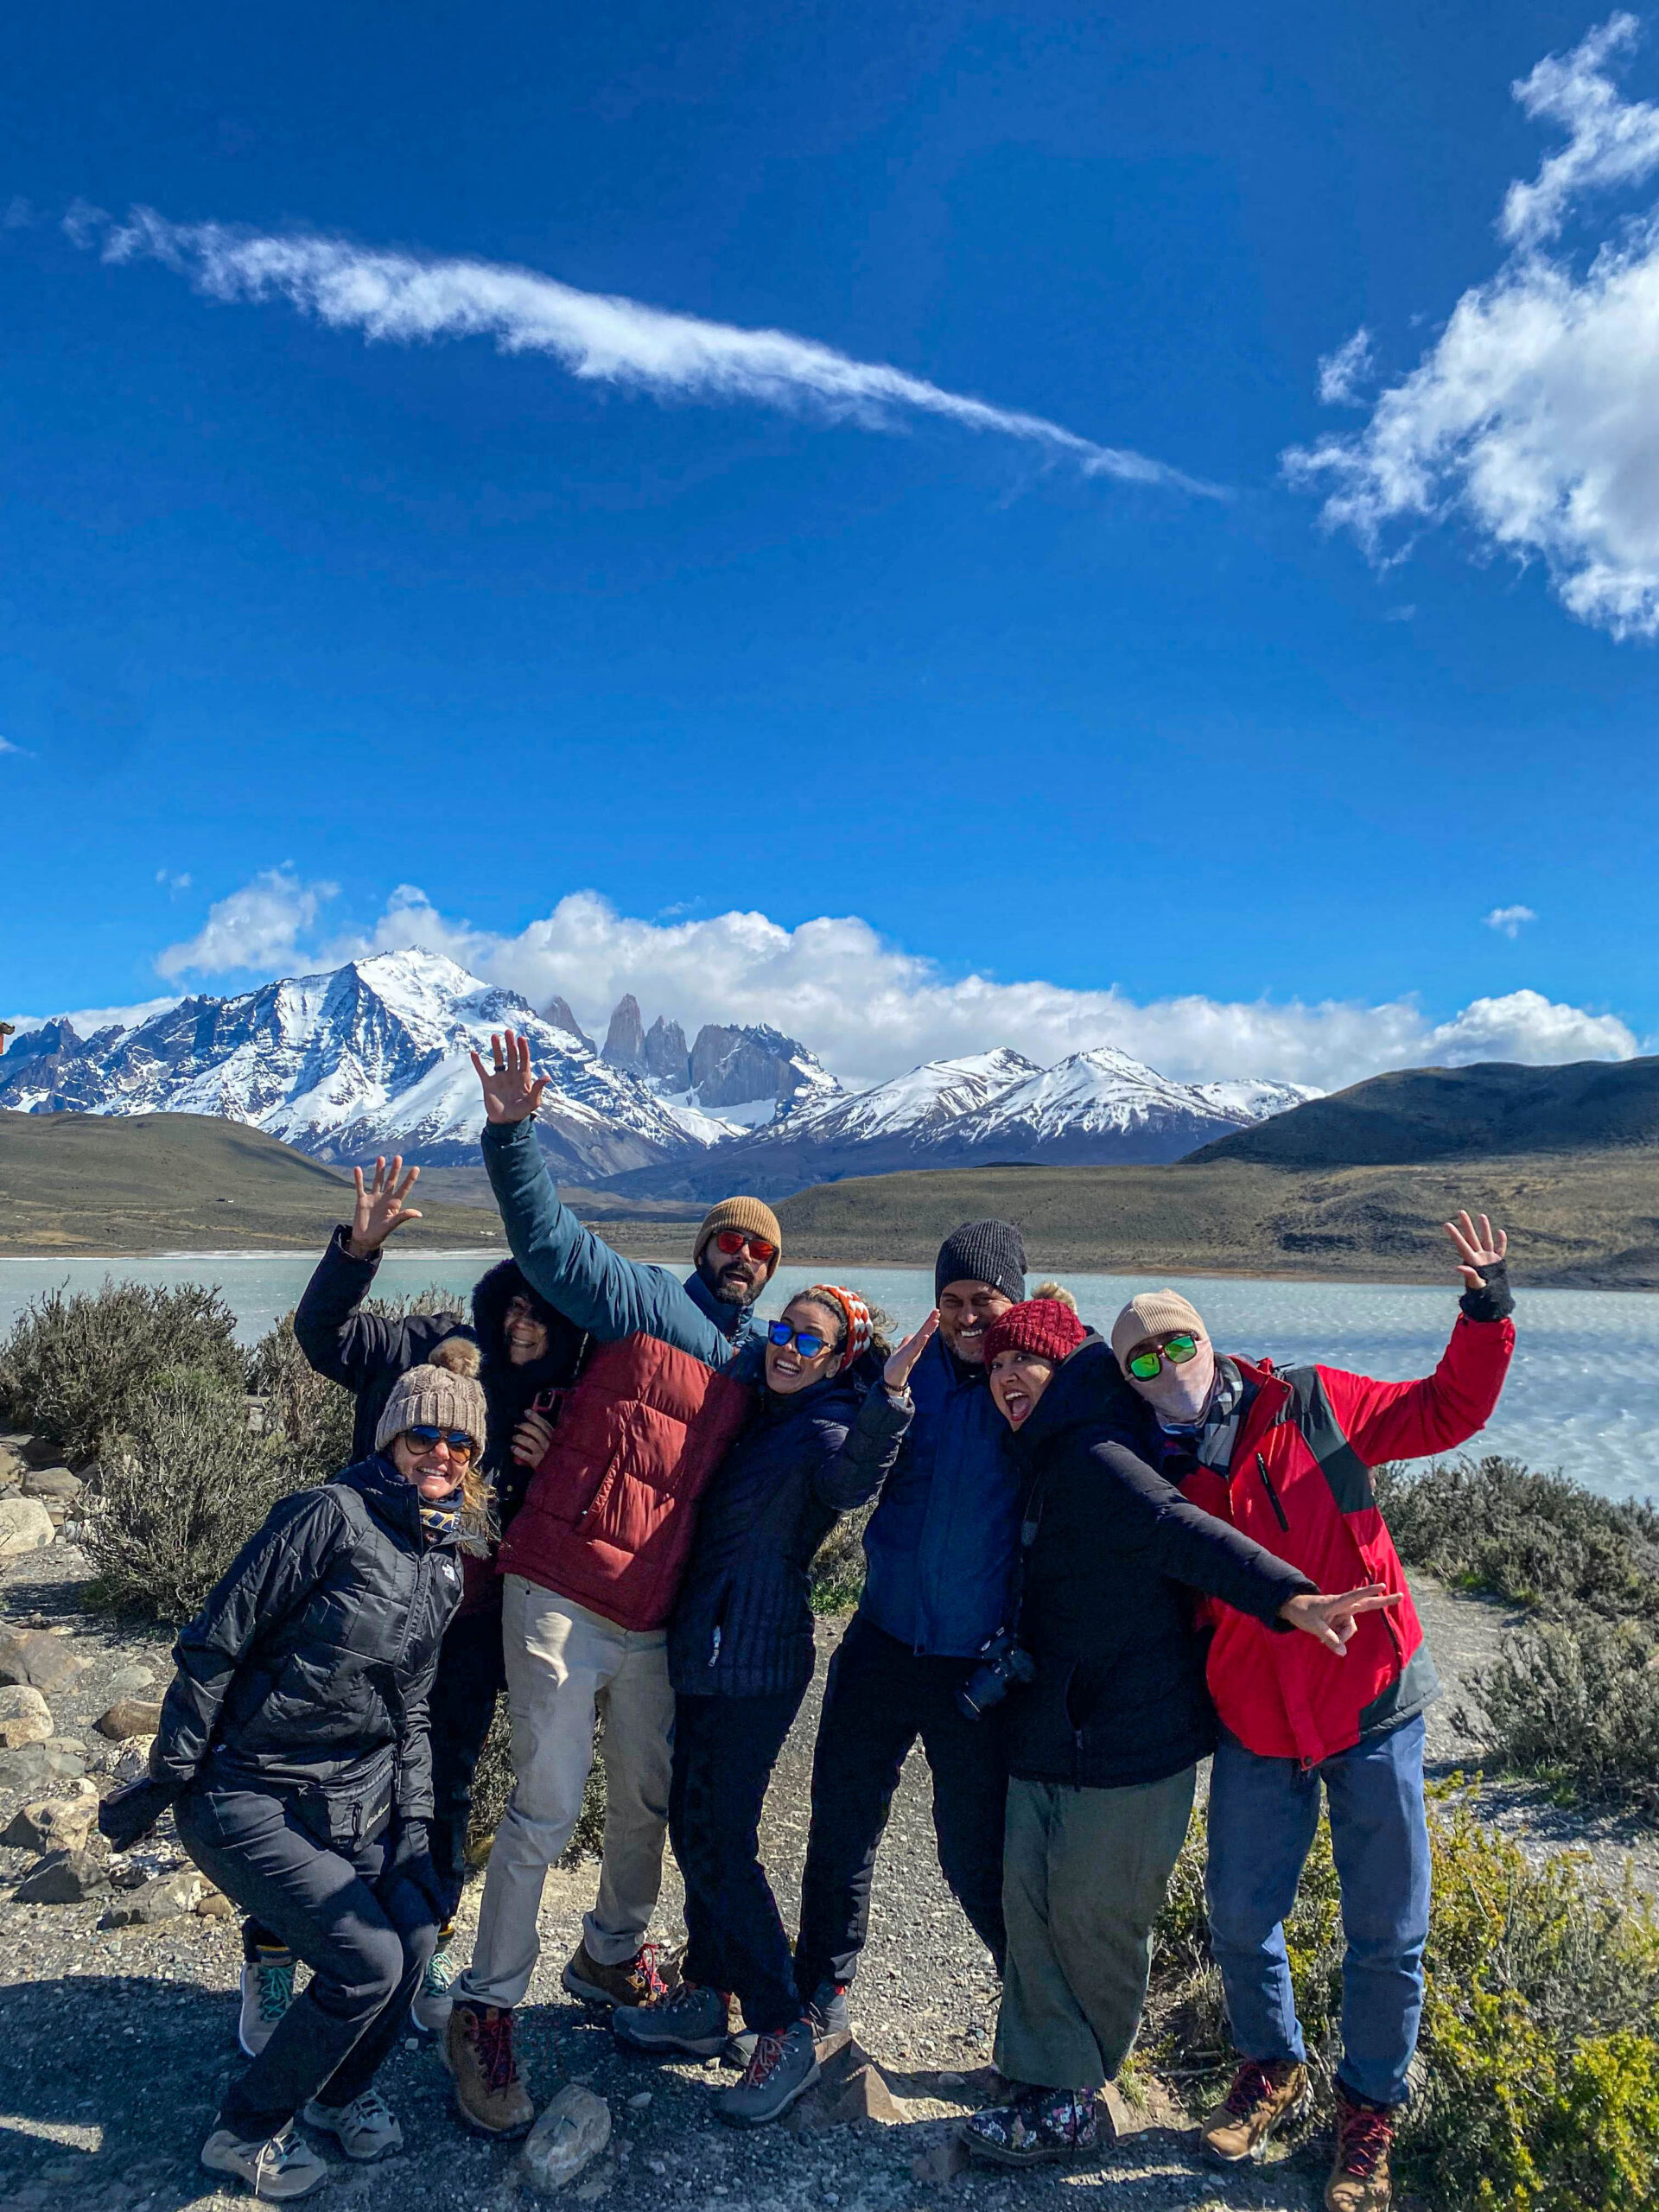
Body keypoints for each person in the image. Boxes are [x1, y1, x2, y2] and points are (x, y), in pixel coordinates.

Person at [1116, 1212, 1516, 2212]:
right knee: (1240, 1912)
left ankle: (1368, 2118)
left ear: (1207, 1338)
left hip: (1371, 1698)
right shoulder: (1157, 1471)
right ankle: (1271, 2065)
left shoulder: (1311, 1402)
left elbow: (1444, 1412)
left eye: (1177, 1342)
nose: (1167, 1366)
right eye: (1141, 1360)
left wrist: (1485, 1314)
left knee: (1388, 1928)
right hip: (1258, 1717)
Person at [958, 1293, 1390, 2171]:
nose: (1006, 1376)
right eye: (995, 1363)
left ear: (1066, 1370)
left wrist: (1286, 1596)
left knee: (1097, 1917)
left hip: (1129, 1735)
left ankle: (1076, 2100)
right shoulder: (1041, 1450)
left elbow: (1178, 1528)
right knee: (1034, 1907)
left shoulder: (1095, 1452)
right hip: (1056, 1725)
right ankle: (1041, 2079)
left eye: (1025, 1360)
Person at [441, 1029, 779, 2135]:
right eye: (727, 1240)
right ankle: (486, 2008)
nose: (741, 1257)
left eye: (759, 1250)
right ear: (702, 1249)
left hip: (652, 1620)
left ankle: (610, 1956)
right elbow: (547, 1240)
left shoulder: (761, 1367)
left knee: (643, 1802)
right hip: (558, 1585)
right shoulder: (637, 1300)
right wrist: (512, 1134)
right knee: (545, 1803)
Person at [237, 1155, 589, 2057]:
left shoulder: (563, 1405)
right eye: (513, 1307)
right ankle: (273, 1955)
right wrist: (357, 1252)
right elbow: (325, 1337)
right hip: (359, 1618)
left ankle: (425, 1944)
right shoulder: (425, 1347)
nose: (523, 1325)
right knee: (316, 1782)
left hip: (465, 1633)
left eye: (543, 1314)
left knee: (443, 1791)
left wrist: (551, 1465)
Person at [151, 1355, 486, 2200]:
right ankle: (244, 2132)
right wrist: (171, 1771)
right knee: (366, 1961)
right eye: (424, 1435)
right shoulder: (327, 1516)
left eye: (460, 1444)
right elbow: (213, 1639)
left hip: (349, 1801)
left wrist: (415, 1830)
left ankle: (337, 2094)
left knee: (415, 1933)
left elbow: (411, 1714)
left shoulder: (443, 1560)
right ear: (390, 1438)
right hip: (246, 1791)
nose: (441, 1455)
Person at [613, 1293, 938, 2127]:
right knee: (695, 1825)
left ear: (839, 1359)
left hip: (754, 1660)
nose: (787, 1348)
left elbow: (850, 1481)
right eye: (781, 1331)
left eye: (810, 1341)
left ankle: (783, 2024)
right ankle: (707, 1991)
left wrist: (889, 1400)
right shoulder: (765, 1410)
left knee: (720, 1838)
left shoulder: (827, 1425)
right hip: (711, 1648)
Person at [791, 1220, 1028, 2018]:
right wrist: (886, 1399)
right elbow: (848, 1485)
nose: (966, 1317)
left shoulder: (1034, 1383)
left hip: (975, 1663)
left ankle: (1038, 2017)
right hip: (883, 1639)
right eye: (951, 1300)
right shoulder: (905, 1373)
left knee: (974, 1852)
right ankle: (820, 1992)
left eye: (984, 1301)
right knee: (842, 1823)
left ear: (1014, 1300)